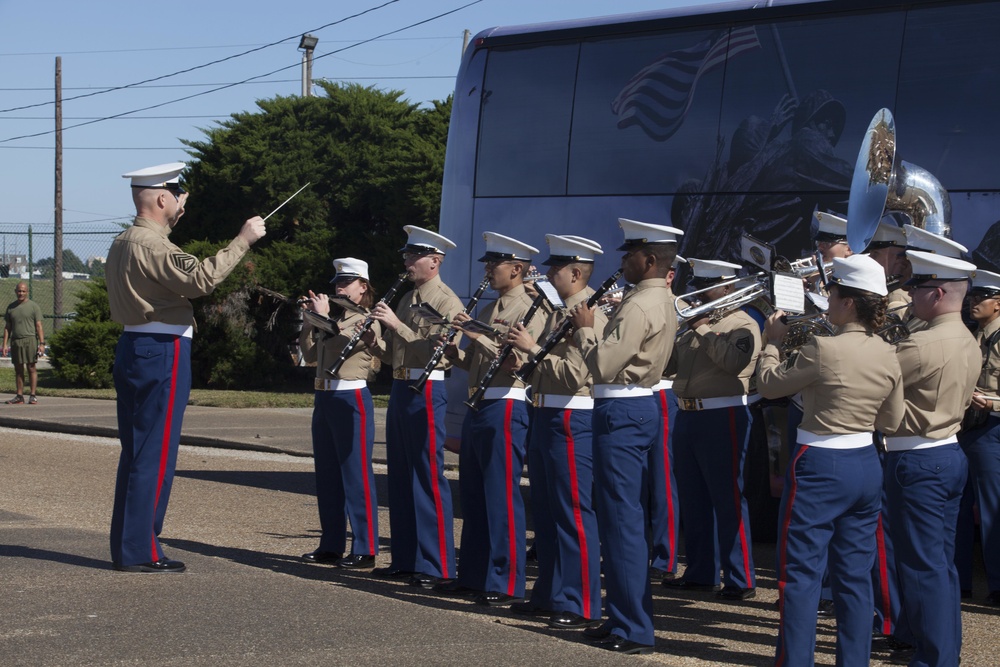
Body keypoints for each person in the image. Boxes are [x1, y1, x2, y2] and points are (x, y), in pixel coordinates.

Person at [107, 162, 266, 572]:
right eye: (177, 197)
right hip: (161, 348)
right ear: (162, 197)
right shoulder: (154, 245)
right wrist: (243, 240)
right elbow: (201, 280)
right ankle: (141, 550)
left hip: (135, 345)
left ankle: (131, 546)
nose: (181, 205)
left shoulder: (124, 240)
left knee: (139, 452)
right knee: (155, 454)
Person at [757, 254, 904, 665]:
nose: (828, 298)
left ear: (849, 302)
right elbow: (891, 420)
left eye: (833, 293)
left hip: (820, 463)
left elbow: (768, 387)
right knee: (855, 579)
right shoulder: (887, 352)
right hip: (865, 461)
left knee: (800, 577)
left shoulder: (822, 347)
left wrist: (771, 344)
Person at [569, 218, 681, 655]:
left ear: (649, 259)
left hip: (621, 405)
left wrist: (584, 327)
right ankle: (623, 616)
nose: (622, 261)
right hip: (636, 405)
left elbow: (602, 365)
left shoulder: (637, 306)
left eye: (629, 253)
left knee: (621, 521)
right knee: (622, 519)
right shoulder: (658, 298)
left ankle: (633, 627)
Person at [882, 250, 979, 667]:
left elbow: (872, 379)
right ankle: (943, 651)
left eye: (918, 287)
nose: (911, 294)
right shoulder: (967, 338)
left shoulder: (922, 343)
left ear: (936, 293)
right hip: (947, 452)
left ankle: (934, 658)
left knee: (922, 568)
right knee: (940, 566)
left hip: (917, 459)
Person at [504, 234, 607, 627]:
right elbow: (549, 370)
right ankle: (549, 591)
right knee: (546, 511)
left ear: (577, 273)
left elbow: (576, 374)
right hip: (545, 412)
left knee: (573, 512)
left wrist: (531, 351)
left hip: (571, 415)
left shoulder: (591, 311)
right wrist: (525, 364)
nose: (548, 273)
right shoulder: (558, 308)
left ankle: (579, 602)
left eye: (556, 268)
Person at [440, 232, 541, 606]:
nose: (487, 269)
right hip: (479, 403)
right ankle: (473, 574)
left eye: (494, 263)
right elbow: (478, 361)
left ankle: (505, 581)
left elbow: (518, 359)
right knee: (475, 495)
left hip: (507, 403)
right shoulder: (489, 308)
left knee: (500, 496)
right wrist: (454, 349)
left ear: (516, 268)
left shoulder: (531, 308)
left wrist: (477, 336)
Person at [367, 225, 462, 589]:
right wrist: (375, 339)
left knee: (426, 475)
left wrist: (396, 325)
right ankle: (406, 558)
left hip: (428, 386)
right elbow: (395, 354)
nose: (406, 261)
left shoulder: (446, 302)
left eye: (414, 255)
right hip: (402, 385)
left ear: (434, 261)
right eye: (406, 255)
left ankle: (436, 564)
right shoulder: (407, 297)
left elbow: (439, 352)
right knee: (401, 475)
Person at [665, 258, 760, 600]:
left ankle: (741, 576)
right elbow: (672, 366)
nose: (699, 295)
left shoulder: (743, 323)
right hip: (687, 413)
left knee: (727, 497)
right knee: (693, 498)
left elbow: (735, 363)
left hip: (723, 415)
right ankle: (701, 571)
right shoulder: (693, 323)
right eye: (697, 287)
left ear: (727, 288)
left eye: (708, 288)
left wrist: (703, 327)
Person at [298, 258, 380, 569]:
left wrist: (322, 318)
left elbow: (345, 342)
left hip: (351, 397)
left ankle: (366, 546)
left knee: (355, 475)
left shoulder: (367, 318)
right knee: (328, 475)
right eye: (337, 282)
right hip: (325, 396)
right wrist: (308, 323)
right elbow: (308, 355)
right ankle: (330, 543)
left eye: (347, 282)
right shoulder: (332, 318)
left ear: (363, 287)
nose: (339, 287)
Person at [956, 269, 1000, 606]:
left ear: (998, 303)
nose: (973, 302)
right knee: (957, 505)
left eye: (981, 297)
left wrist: (990, 400)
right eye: (971, 296)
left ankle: (997, 584)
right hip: (969, 426)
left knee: (991, 508)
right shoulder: (975, 334)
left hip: (991, 425)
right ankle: (959, 580)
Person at [648, 255, 683, 581]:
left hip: (662, 391)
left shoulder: (678, 306)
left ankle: (665, 555)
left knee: (661, 479)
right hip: (638, 392)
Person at [3, 281, 44, 405]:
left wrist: (42, 343)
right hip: (16, 341)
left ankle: (32, 395)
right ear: (16, 291)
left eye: (23, 291)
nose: (21, 293)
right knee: (18, 369)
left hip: (30, 340)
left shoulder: (33, 307)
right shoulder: (11, 307)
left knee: (31, 367)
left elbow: (39, 326)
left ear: (27, 292)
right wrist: (4, 344)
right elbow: (7, 327)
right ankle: (19, 396)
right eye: (19, 291)